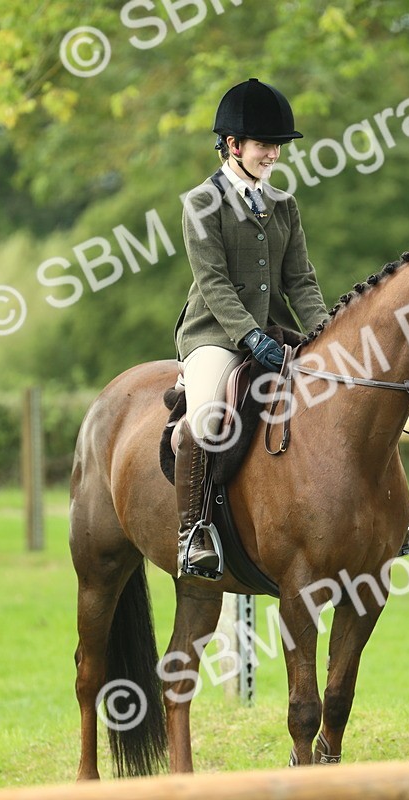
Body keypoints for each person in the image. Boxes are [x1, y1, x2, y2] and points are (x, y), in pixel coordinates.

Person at [172, 78, 330, 580]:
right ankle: (193, 531)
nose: (274, 156)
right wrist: (249, 336)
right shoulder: (201, 203)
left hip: (276, 333)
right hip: (215, 335)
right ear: (233, 146)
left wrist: (327, 333)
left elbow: (300, 280)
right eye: (265, 146)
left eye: (277, 147)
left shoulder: (283, 205)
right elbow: (213, 283)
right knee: (208, 419)